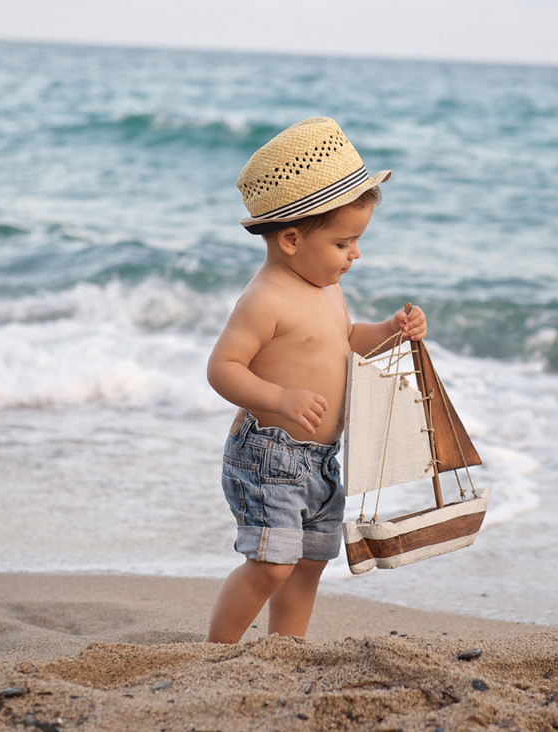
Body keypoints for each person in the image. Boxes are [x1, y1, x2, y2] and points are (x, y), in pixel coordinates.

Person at [205, 117, 426, 643]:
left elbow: (348, 338)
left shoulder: (324, 285)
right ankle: (216, 650)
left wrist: (393, 332)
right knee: (271, 564)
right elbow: (222, 368)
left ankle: (288, 648)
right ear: (289, 239)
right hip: (270, 454)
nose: (355, 255)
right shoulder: (266, 299)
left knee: (308, 563)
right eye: (344, 243)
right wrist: (277, 397)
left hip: (322, 459)